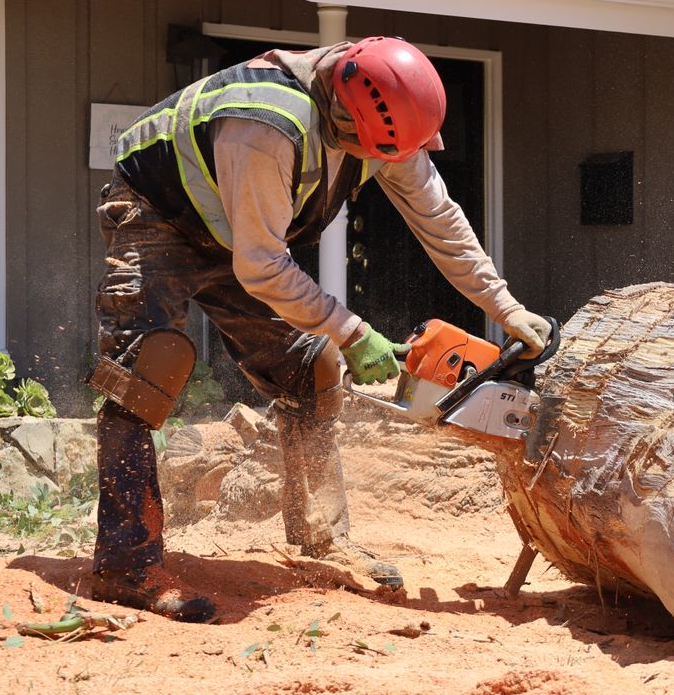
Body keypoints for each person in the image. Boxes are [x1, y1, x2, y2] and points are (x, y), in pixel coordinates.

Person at [86, 36, 551, 622]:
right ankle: (125, 565)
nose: (383, 161)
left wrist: (505, 307)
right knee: (145, 374)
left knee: (310, 369)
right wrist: (354, 332)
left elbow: (438, 218)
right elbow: (261, 266)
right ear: (341, 111)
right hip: (158, 216)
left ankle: (321, 539)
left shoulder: (384, 121)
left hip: (240, 234)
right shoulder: (264, 125)